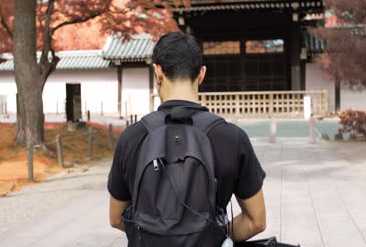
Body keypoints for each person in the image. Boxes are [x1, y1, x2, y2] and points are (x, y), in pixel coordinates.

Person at [108, 31, 266, 246]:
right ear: (201, 74)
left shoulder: (132, 137)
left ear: (158, 72)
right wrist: (217, 236)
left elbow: (117, 218)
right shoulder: (232, 137)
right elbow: (256, 221)